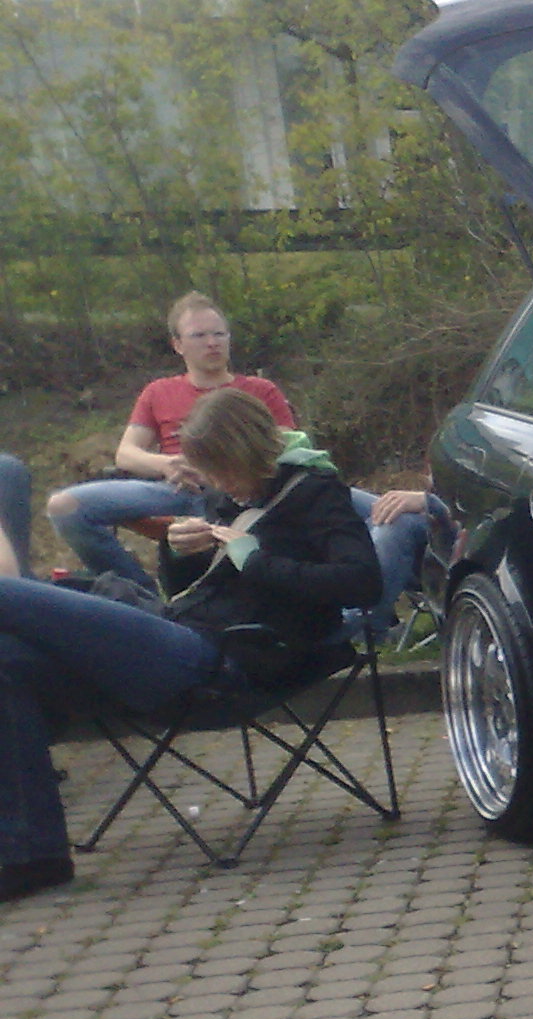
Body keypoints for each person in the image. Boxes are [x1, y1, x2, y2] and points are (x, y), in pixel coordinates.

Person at [0, 387, 379, 904]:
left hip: (222, 662)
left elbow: (362, 583)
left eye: (222, 469)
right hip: (174, 631)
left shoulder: (316, 494)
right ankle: (34, 856)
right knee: (8, 660)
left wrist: (256, 560)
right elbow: (191, 589)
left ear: (247, 451)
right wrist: (179, 551)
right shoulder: (229, 495)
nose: (217, 483)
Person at [48, 291, 429, 629]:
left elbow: (284, 452)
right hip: (176, 489)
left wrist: (234, 467)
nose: (212, 342)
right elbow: (126, 453)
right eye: (200, 335)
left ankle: (379, 605)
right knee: (66, 507)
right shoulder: (158, 391)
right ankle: (144, 599)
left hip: (259, 485)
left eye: (220, 333)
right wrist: (167, 466)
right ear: (177, 345)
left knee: (387, 511)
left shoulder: (259, 390)